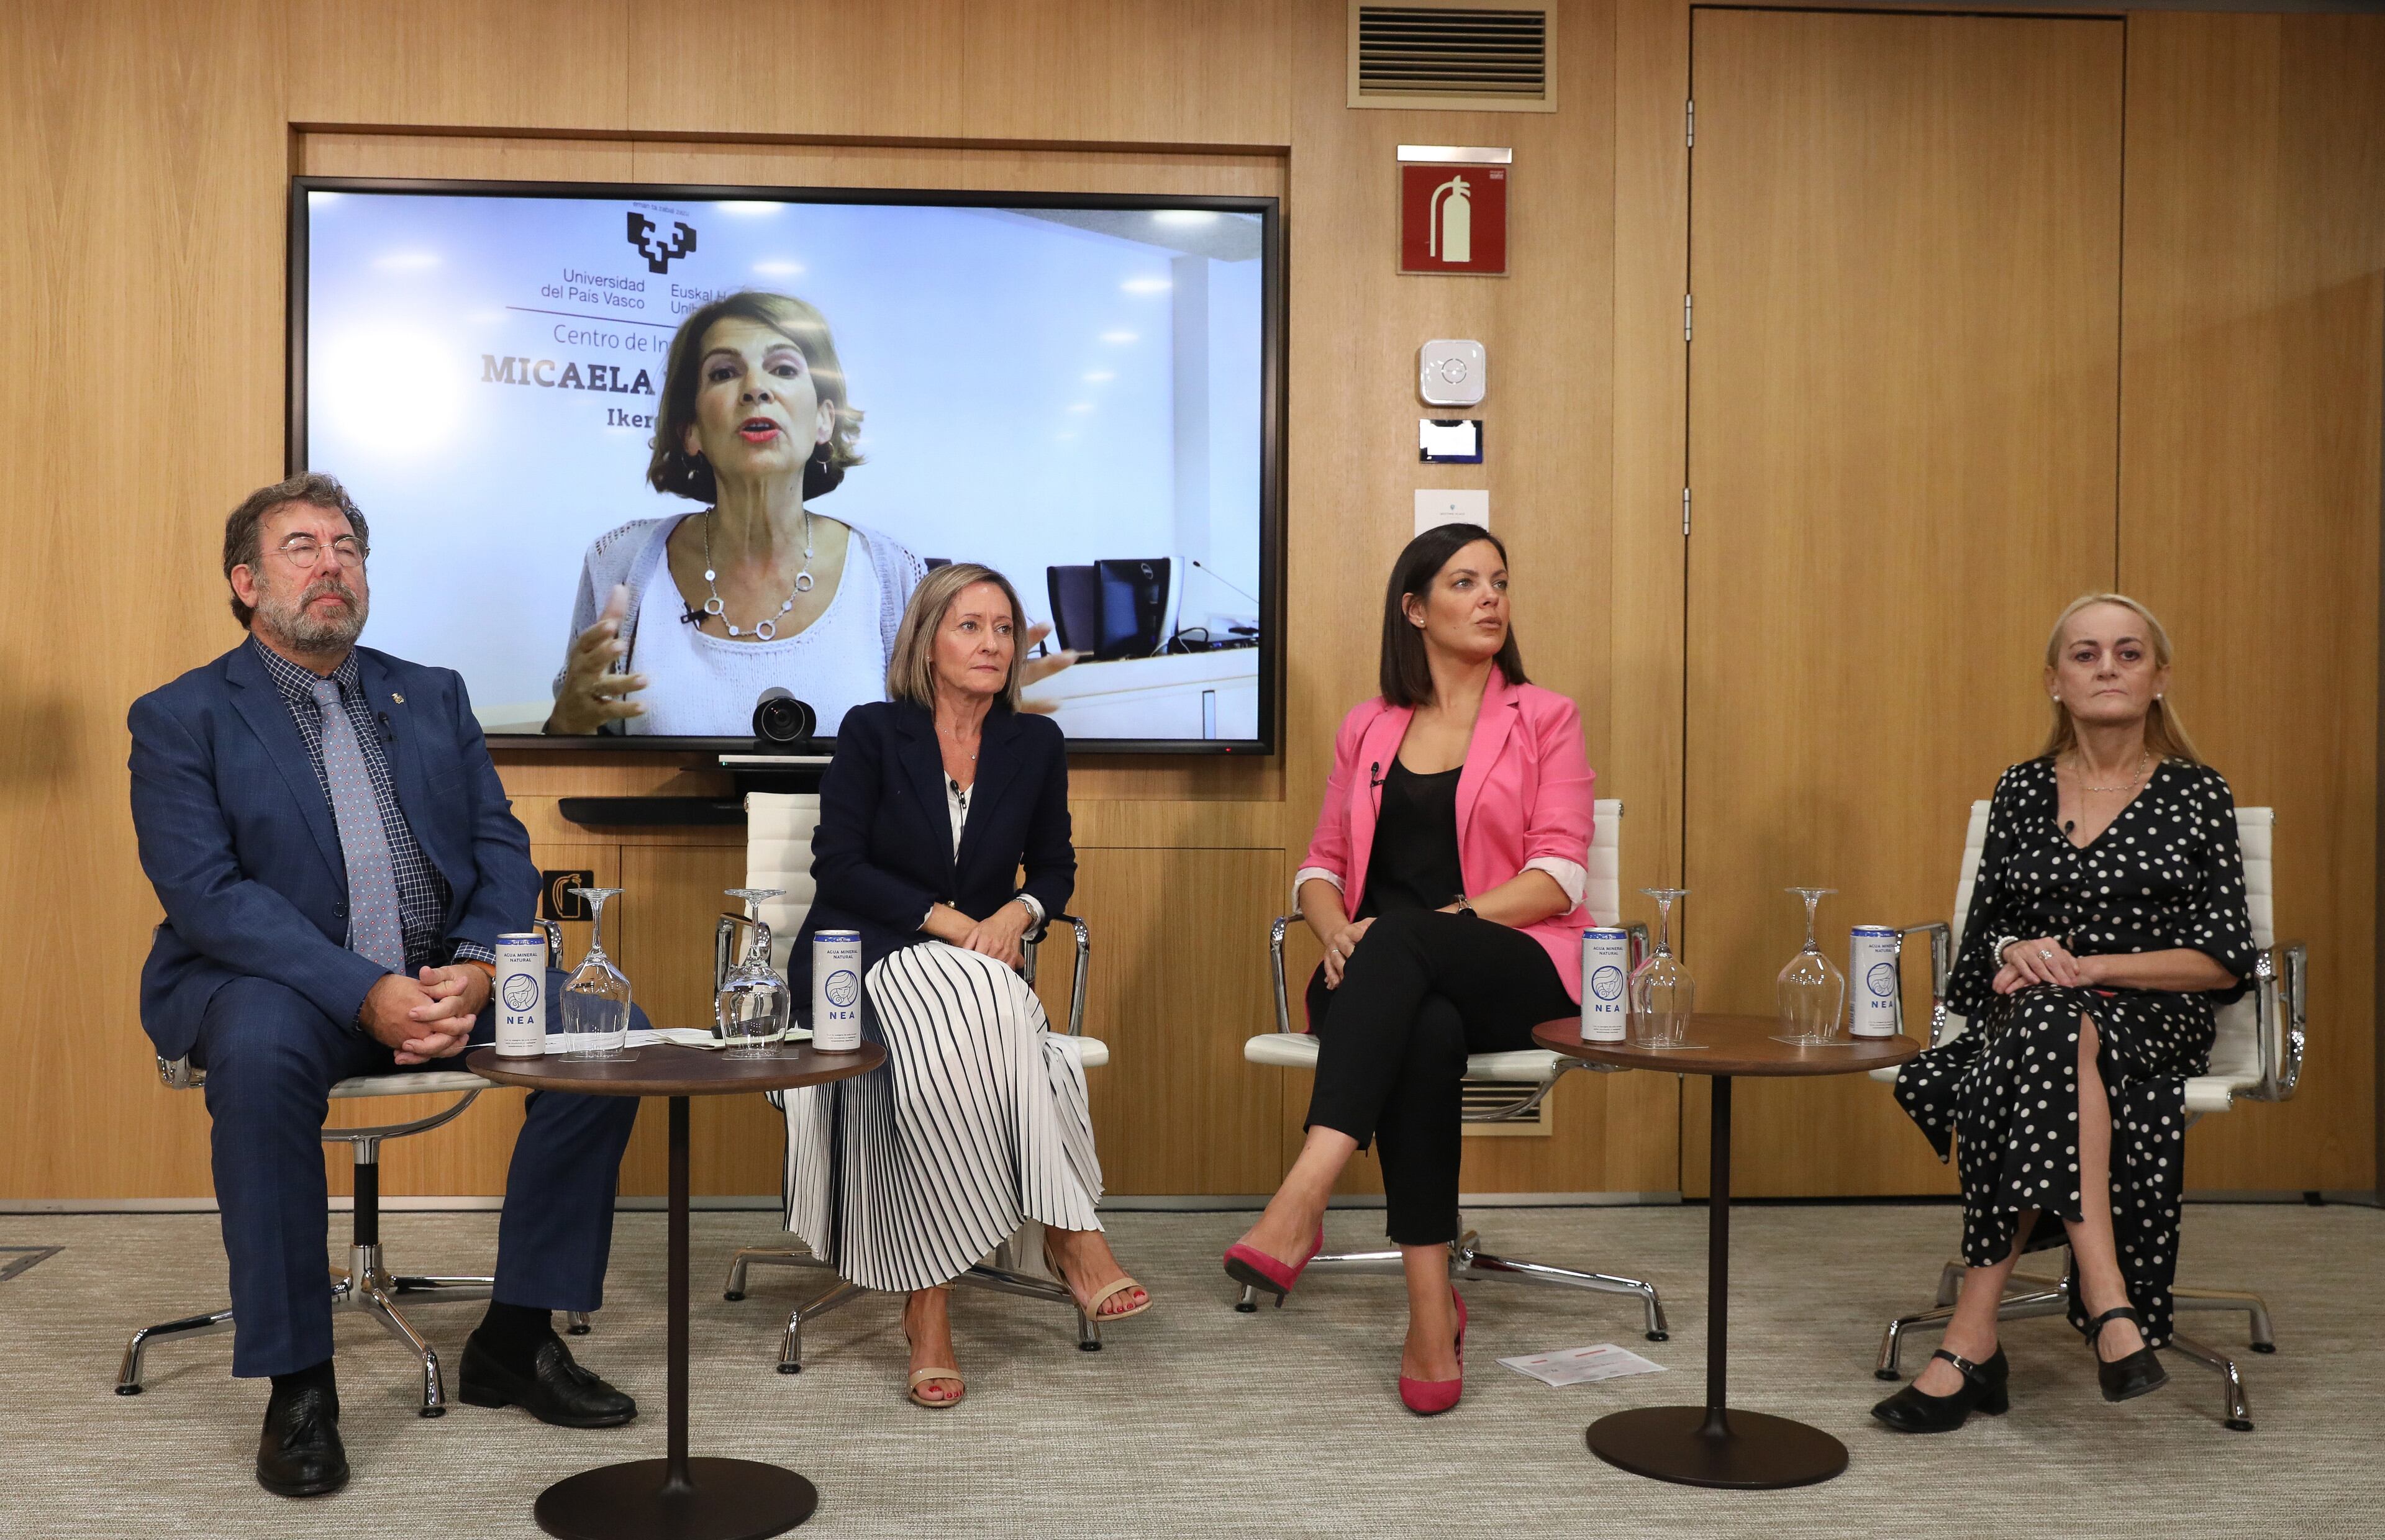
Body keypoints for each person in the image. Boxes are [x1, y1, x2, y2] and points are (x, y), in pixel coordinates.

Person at [129, 474, 645, 1498]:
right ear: (245, 583)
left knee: (604, 1030)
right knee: (260, 1055)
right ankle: (299, 1386)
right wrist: (364, 991)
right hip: (280, 987)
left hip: (446, 976)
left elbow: (500, 847)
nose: (331, 566)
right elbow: (207, 895)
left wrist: (481, 969)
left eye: (348, 550)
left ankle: (516, 1337)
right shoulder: (183, 715)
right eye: (302, 548)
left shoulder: (433, 693)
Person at [1223, 524, 1595, 1416]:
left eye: (1499, 581)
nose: (1491, 597)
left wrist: (1432, 926)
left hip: (1510, 963)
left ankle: (1302, 1197)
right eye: (1465, 582)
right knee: (1421, 1023)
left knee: (1401, 942)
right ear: (1415, 609)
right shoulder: (1370, 726)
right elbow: (1320, 867)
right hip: (1377, 984)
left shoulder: (1545, 717)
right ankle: (1432, 1313)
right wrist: (1334, 933)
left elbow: (1559, 876)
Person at [1873, 593, 2254, 1434]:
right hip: (2037, 1020)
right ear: (2054, 680)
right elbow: (1981, 944)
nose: (2107, 668)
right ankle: (2109, 1304)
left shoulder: (2198, 793)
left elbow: (2225, 957)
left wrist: (2094, 968)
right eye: (2086, 654)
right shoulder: (2020, 789)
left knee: (2045, 1028)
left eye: (2128, 652)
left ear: (2158, 678)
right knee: (2047, 1026)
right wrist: (2017, 948)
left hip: (2153, 1019)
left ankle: (1971, 1340)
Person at [779, 563, 1148, 1409]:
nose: (992, 644)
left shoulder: (1035, 744)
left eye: (1004, 628)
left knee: (981, 1012)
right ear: (927, 642)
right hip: (863, 963)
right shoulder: (873, 731)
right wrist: (953, 923)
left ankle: (929, 1305)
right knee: (1004, 1010)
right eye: (970, 626)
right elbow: (839, 865)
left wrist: (1018, 913)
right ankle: (1069, 1230)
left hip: (977, 976)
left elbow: (1054, 867)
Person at [544, 291, 1071, 738]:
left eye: (783, 369)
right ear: (691, 431)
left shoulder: (892, 574)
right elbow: (569, 762)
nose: (756, 389)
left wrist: (975, 726)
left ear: (824, 420)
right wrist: (567, 722)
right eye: (724, 373)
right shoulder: (619, 563)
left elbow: (926, 762)